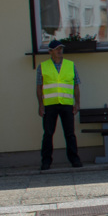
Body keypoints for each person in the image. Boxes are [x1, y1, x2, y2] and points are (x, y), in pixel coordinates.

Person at [35, 40, 82, 170]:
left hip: (67, 104)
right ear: (50, 51)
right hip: (49, 105)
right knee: (48, 134)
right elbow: (39, 87)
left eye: (61, 48)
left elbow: (76, 85)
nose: (59, 51)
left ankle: (74, 159)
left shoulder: (70, 65)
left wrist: (77, 103)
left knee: (70, 133)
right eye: (56, 49)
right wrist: (40, 105)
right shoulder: (42, 66)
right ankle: (46, 161)